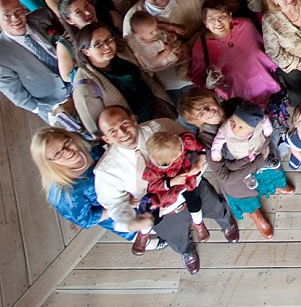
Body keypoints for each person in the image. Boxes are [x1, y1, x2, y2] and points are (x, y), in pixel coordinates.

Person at [94, 106, 238, 275]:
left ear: (133, 119)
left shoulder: (162, 126)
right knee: (176, 237)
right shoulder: (105, 171)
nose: (122, 133)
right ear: (107, 139)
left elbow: (192, 144)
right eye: (113, 131)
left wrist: (199, 163)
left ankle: (225, 222)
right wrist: (131, 209)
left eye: (124, 123)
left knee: (215, 206)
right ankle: (186, 250)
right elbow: (113, 205)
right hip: (161, 210)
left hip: (192, 187)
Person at [208, 100, 293, 239]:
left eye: (239, 126)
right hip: (238, 158)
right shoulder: (227, 128)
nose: (233, 125)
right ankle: (255, 213)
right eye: (233, 122)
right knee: (243, 181)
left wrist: (267, 131)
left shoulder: (255, 120)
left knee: (268, 161)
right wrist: (216, 153)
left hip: (257, 148)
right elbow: (218, 142)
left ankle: (273, 183)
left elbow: (265, 120)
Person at [30, 127, 134, 240]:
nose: (67, 152)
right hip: (123, 215)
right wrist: (124, 204)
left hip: (132, 187)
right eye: (57, 154)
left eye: (66, 143)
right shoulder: (64, 193)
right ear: (48, 162)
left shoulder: (86, 146)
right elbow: (87, 219)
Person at [0, 0, 70, 123]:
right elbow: (16, 94)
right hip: (55, 102)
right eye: (6, 16)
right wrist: (43, 109)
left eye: (18, 11)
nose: (15, 18)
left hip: (79, 76)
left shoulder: (43, 16)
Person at [189, 0, 282, 104]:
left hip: (266, 87)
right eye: (211, 19)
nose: (217, 22)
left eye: (222, 17)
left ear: (230, 17)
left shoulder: (246, 26)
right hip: (236, 98)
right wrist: (209, 84)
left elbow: (265, 47)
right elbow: (198, 78)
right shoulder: (201, 46)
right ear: (205, 23)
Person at [138, 130, 215, 252]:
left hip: (185, 176)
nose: (180, 152)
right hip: (167, 185)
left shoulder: (183, 142)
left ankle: (198, 223)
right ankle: (143, 233)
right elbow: (154, 185)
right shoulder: (155, 168)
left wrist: (199, 163)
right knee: (153, 208)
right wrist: (171, 182)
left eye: (180, 150)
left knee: (194, 200)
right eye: (176, 156)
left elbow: (201, 149)